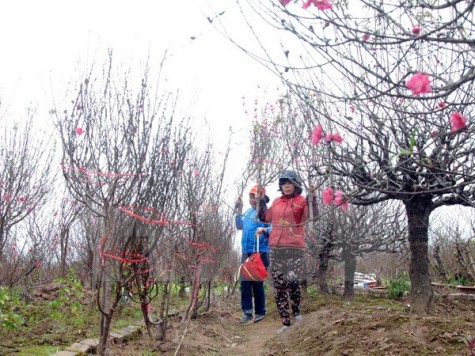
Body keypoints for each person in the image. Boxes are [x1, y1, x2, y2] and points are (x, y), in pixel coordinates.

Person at [258, 170, 317, 333]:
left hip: (294, 248)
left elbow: (312, 217)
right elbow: (265, 218)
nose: (286, 186)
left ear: (296, 184)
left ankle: (296, 312)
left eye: (290, 182)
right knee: (279, 286)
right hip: (276, 249)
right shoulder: (276, 202)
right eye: (284, 183)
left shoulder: (302, 201)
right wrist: (262, 201)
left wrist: (313, 198)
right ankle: (285, 322)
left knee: (292, 281)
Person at [235, 184, 270, 325]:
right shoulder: (249, 212)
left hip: (260, 252)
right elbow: (239, 226)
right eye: (251, 196)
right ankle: (247, 312)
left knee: (257, 283)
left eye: (255, 196)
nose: (252, 199)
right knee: (244, 282)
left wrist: (264, 230)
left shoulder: (265, 213)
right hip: (246, 252)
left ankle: (260, 311)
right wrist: (239, 210)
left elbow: (273, 227)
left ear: (262, 198)